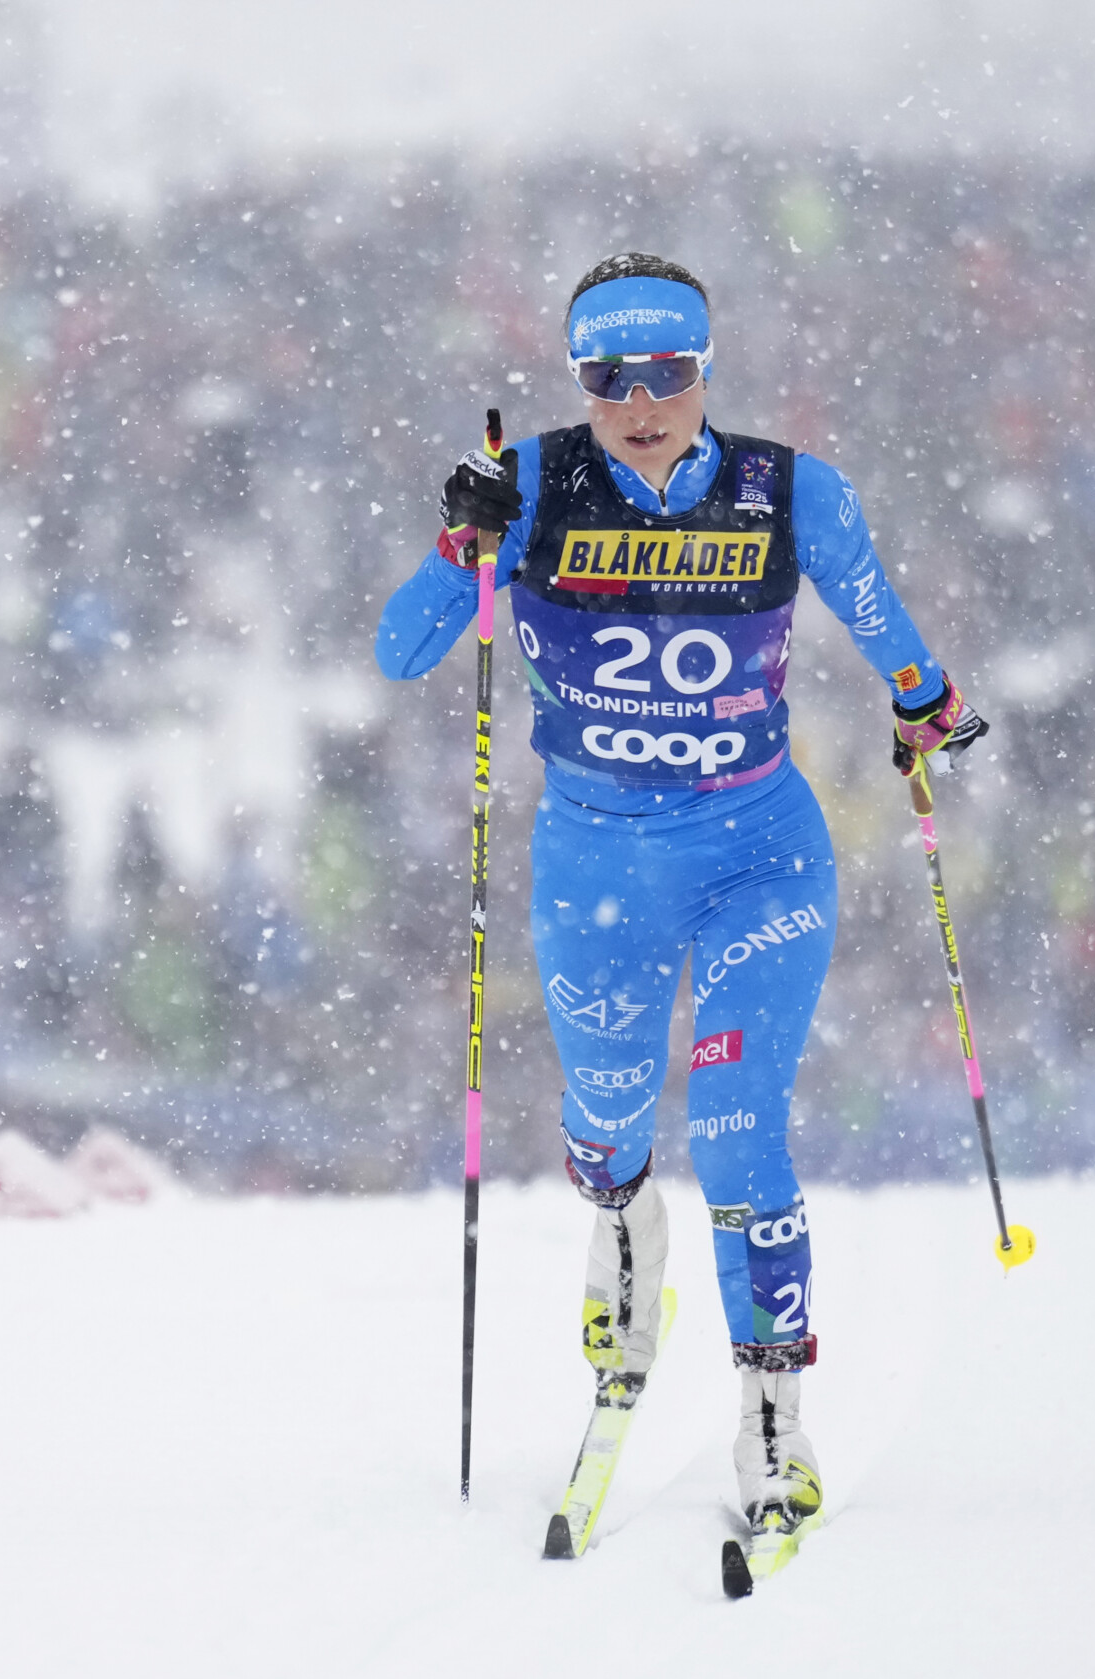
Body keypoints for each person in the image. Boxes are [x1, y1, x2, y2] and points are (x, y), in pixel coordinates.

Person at [374, 253, 986, 1543]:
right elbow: (403, 651)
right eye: (607, 377)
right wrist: (459, 544)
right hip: (597, 874)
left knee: (740, 1125)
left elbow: (883, 622)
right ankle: (621, 1230)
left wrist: (926, 702)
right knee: (603, 1130)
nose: (639, 402)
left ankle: (773, 1421)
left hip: (757, 856)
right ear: (580, 379)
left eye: (665, 373)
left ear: (705, 368)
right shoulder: (530, 485)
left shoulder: (788, 491)